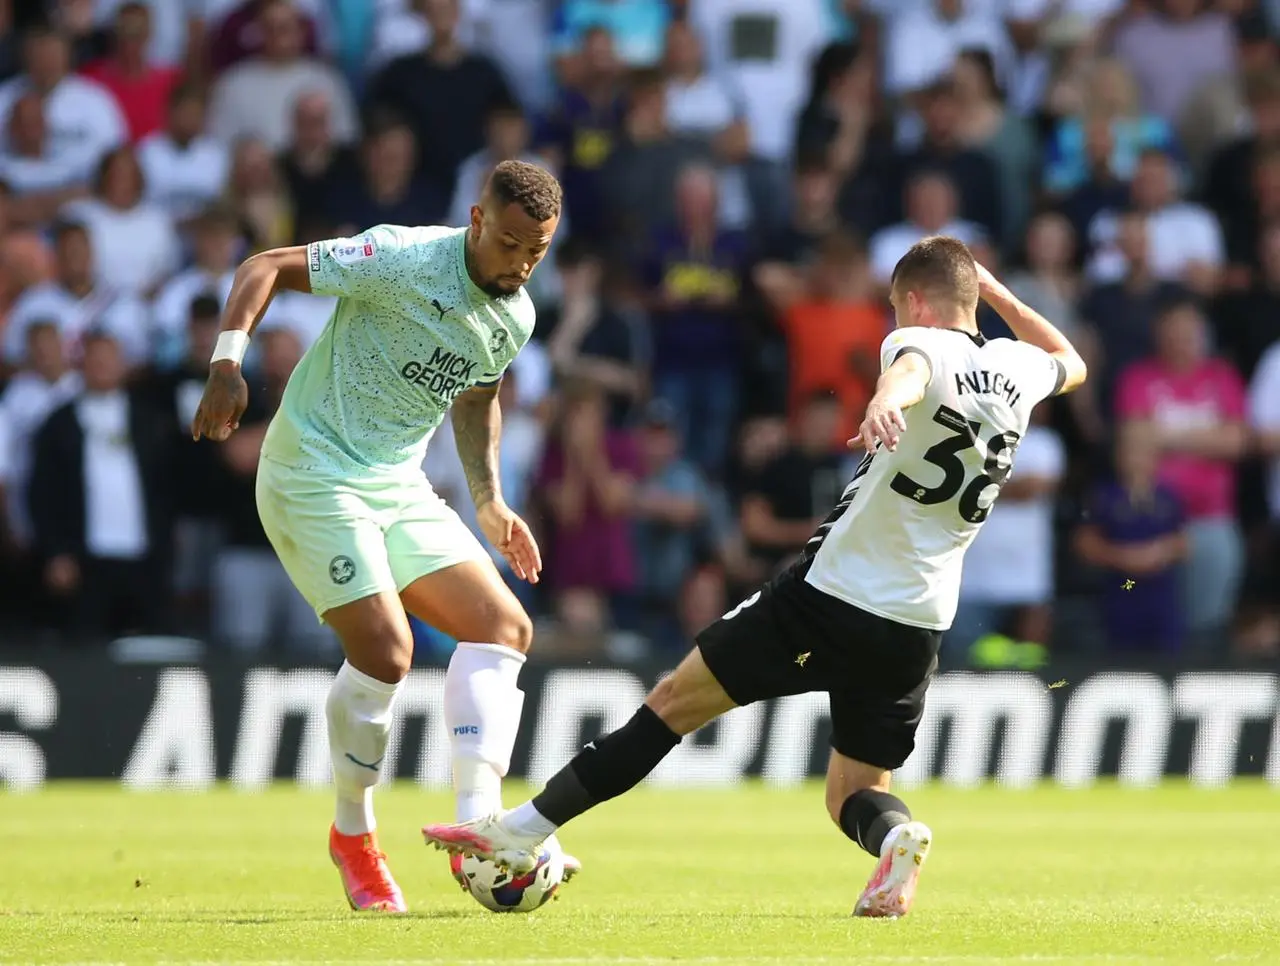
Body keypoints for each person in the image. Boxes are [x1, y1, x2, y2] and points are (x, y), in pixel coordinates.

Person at [423, 235, 1088, 918]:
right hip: (918, 624)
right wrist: (997, 292)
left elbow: (912, 368)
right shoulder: (1016, 369)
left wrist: (886, 398)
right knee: (852, 793)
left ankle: (520, 830)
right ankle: (896, 837)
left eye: (895, 310)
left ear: (915, 303)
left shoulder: (920, 344)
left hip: (830, 598)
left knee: (673, 703)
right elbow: (1073, 361)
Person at [189, 160, 579, 913]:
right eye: (508, 243)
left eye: (538, 250)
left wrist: (490, 501)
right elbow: (265, 264)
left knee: (505, 627)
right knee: (387, 651)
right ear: (475, 219)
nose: (521, 263)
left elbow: (477, 395)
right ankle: (353, 834)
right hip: (313, 470)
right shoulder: (402, 258)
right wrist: (226, 364)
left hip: (395, 484)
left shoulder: (516, 315)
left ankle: (480, 823)